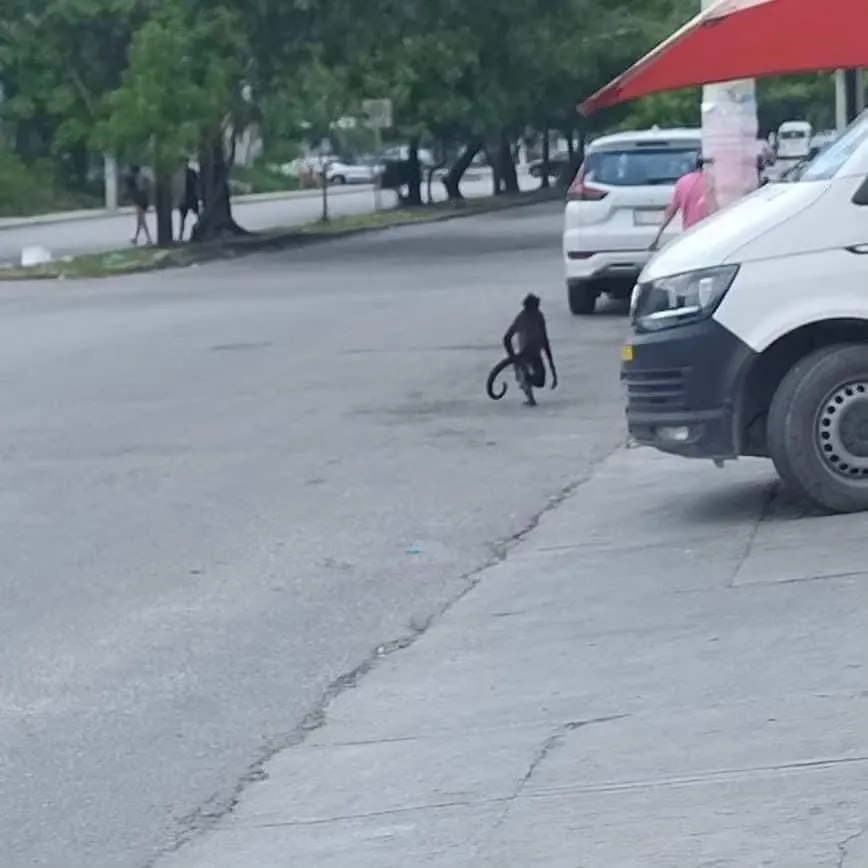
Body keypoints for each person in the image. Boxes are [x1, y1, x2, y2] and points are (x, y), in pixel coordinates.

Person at [502, 293, 557, 407]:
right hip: (525, 354)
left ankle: (525, 380)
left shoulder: (539, 316)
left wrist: (553, 370)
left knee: (540, 382)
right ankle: (529, 396)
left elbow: (545, 338)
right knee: (525, 371)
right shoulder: (521, 318)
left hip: (536, 352)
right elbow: (506, 338)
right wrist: (513, 357)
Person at [650, 155, 715, 251]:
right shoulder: (713, 182)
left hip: (689, 234)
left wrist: (657, 236)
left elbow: (671, 211)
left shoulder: (683, 182)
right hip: (711, 233)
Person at [125, 165, 152, 245]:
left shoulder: (135, 178)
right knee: (140, 221)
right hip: (144, 200)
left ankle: (148, 238)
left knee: (141, 220)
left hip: (139, 200)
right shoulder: (143, 177)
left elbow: (130, 186)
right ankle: (136, 238)